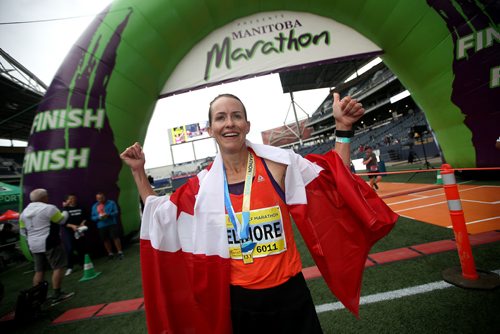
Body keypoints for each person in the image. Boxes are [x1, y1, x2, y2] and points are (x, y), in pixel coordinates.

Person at [120, 93, 398, 334]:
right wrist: (138, 171)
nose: (229, 122)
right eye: (220, 117)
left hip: (290, 296)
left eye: (236, 116)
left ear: (247, 125)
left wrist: (343, 127)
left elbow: (332, 178)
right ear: (210, 129)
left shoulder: (279, 166)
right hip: (240, 304)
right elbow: (161, 215)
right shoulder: (202, 188)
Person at [19, 189, 74, 303]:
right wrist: (65, 209)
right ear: (44, 198)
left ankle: (38, 297)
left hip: (33, 244)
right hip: (50, 242)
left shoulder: (23, 213)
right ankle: (57, 294)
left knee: (39, 271)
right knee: (58, 267)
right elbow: (62, 220)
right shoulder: (49, 208)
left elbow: (23, 232)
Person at [91, 192, 123, 259]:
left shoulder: (111, 203)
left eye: (102, 198)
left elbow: (116, 212)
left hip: (111, 223)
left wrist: (108, 214)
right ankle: (110, 253)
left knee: (115, 237)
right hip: (101, 225)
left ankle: (120, 252)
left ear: (104, 197)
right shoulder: (94, 206)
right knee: (105, 240)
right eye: (99, 198)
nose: (101, 199)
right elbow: (92, 217)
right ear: (96, 199)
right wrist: (98, 217)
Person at [61, 194, 87, 276]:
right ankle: (70, 267)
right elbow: (62, 222)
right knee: (70, 249)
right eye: (71, 199)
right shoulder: (65, 209)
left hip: (80, 230)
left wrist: (82, 224)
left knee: (81, 248)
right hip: (70, 232)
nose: (73, 200)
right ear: (67, 200)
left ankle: (82, 264)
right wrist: (72, 226)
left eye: (74, 198)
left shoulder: (81, 207)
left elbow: (85, 217)